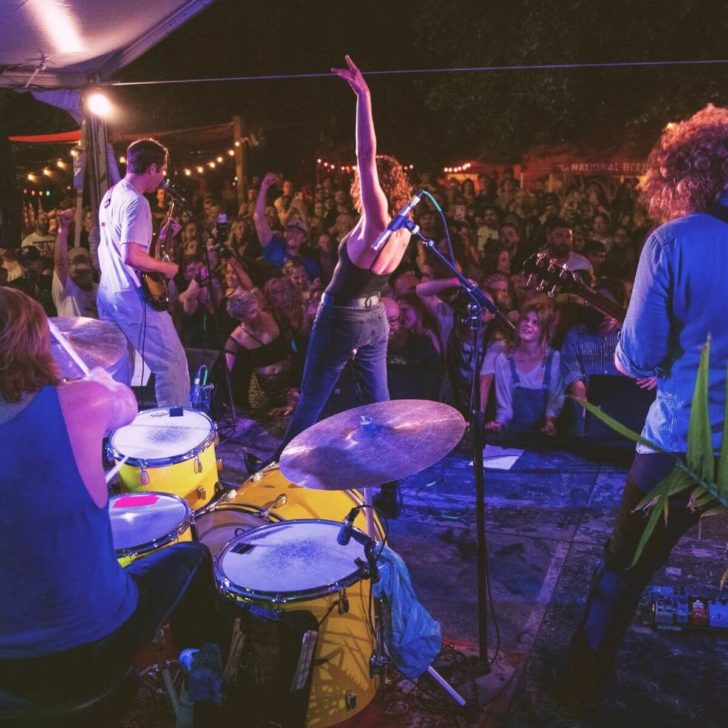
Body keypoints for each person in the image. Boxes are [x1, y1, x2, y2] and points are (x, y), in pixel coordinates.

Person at [551, 104, 728, 713]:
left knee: (623, 569)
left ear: (683, 175)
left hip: (681, 444)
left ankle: (576, 689)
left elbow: (637, 359)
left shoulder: (671, 242)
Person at [0, 288, 214, 706]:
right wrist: (96, 381)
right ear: (36, 344)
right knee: (194, 558)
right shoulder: (81, 401)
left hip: (8, 665)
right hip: (95, 638)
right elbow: (128, 404)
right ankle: (205, 692)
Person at [272, 55, 413, 459]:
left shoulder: (377, 222)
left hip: (342, 318)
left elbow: (365, 156)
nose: (357, 181)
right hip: (375, 319)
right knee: (379, 405)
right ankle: (389, 485)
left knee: (311, 402)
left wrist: (363, 97)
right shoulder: (403, 229)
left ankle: (276, 474)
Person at [96, 137, 190, 407]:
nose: (162, 177)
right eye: (161, 171)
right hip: (133, 299)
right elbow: (132, 256)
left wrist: (159, 238)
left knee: (117, 370)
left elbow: (122, 249)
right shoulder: (138, 202)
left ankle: (115, 431)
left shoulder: (111, 194)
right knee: (171, 364)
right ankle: (176, 435)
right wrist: (167, 268)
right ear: (151, 168)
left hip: (109, 295)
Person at [486, 301, 564, 435]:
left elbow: (554, 403)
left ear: (544, 329)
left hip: (542, 439)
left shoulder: (554, 358)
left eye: (535, 322)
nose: (528, 324)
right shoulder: (503, 360)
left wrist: (550, 423)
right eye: (525, 319)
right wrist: (498, 424)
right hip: (512, 437)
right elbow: (504, 409)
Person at [52, 208, 98, 318]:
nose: (80, 266)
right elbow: (60, 262)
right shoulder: (66, 288)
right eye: (75, 262)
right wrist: (62, 229)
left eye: (83, 260)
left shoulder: (99, 289)